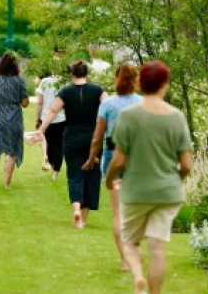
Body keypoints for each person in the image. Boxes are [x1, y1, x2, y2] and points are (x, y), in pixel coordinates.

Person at [105, 61, 192, 294]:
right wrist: (175, 180)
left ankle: (137, 280)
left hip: (135, 191)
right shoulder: (176, 117)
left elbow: (118, 160)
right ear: (165, 84)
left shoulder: (128, 116)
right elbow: (186, 164)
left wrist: (110, 181)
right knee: (157, 248)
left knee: (130, 243)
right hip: (167, 193)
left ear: (140, 83)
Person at [33, 61, 108, 228]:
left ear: (72, 75)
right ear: (87, 74)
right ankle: (83, 219)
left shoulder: (65, 92)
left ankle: (76, 210)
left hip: (72, 136)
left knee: (74, 174)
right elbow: (109, 105)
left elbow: (52, 111)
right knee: (92, 176)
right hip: (92, 137)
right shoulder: (97, 90)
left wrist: (41, 130)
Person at [83, 62, 142, 271]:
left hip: (113, 156)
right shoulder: (143, 103)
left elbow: (97, 138)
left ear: (117, 79)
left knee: (118, 212)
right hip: (138, 159)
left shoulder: (108, 105)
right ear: (135, 80)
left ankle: (125, 259)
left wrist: (91, 159)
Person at [0, 51, 30, 189]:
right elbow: (25, 103)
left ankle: (6, 171)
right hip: (14, 118)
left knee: (6, 148)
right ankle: (7, 183)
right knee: (12, 151)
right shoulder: (19, 81)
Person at [35, 69, 66, 180]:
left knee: (48, 143)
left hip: (45, 117)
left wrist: (37, 119)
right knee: (59, 145)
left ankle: (50, 162)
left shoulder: (44, 82)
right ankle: (55, 172)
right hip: (61, 118)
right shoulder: (64, 82)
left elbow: (40, 102)